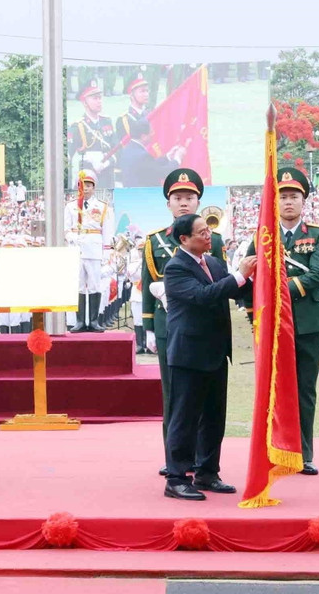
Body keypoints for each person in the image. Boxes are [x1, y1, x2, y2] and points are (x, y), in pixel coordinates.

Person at [241, 168, 319, 474]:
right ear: (275, 202)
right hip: (273, 325)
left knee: (304, 389)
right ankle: (276, 450)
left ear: (303, 201)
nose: (288, 202)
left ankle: (303, 453)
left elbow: (318, 275)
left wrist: (282, 291)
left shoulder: (318, 235)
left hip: (307, 320)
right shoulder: (263, 236)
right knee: (273, 388)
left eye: (294, 196)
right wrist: (250, 309)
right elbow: (250, 275)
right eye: (283, 197)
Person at [162, 213, 255, 500]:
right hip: (188, 354)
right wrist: (240, 275)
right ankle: (176, 477)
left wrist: (260, 274)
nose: (208, 236)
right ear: (184, 239)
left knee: (214, 417)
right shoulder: (175, 268)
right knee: (185, 418)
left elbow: (238, 289)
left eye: (209, 230)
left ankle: (207, 472)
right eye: (201, 232)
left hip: (215, 352)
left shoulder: (213, 262)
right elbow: (204, 295)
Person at [142, 169, 203, 476]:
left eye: (189, 198)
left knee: (202, 397)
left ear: (198, 202)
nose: (183, 204)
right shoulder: (154, 242)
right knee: (173, 395)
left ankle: (201, 459)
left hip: (202, 329)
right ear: (169, 204)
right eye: (177, 199)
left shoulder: (212, 239)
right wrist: (150, 328)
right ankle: (173, 458)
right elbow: (147, 285)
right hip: (170, 327)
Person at [64, 170, 115, 332]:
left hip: (94, 248)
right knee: (79, 285)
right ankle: (80, 321)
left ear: (94, 187)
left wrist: (106, 253)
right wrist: (72, 237)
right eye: (82, 185)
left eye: (88, 185)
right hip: (76, 248)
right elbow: (66, 228)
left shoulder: (102, 207)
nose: (85, 188)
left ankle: (93, 321)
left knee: (94, 284)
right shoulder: (71, 206)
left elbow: (107, 232)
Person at [67, 79, 117, 188]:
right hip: (88, 180)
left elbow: (117, 148)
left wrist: (106, 163)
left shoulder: (107, 121)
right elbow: (68, 157)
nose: (99, 101)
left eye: (100, 98)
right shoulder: (77, 126)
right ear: (84, 102)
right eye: (95, 98)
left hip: (108, 178)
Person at [116, 119, 184, 188]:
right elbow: (162, 173)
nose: (153, 133)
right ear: (143, 136)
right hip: (145, 196)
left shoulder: (128, 149)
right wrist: (177, 159)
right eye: (151, 132)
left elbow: (150, 166)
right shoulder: (142, 156)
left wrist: (167, 157)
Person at [114, 72, 150, 145]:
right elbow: (124, 147)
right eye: (142, 91)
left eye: (147, 91)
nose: (146, 94)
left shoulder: (150, 114)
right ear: (131, 95)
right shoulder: (124, 120)